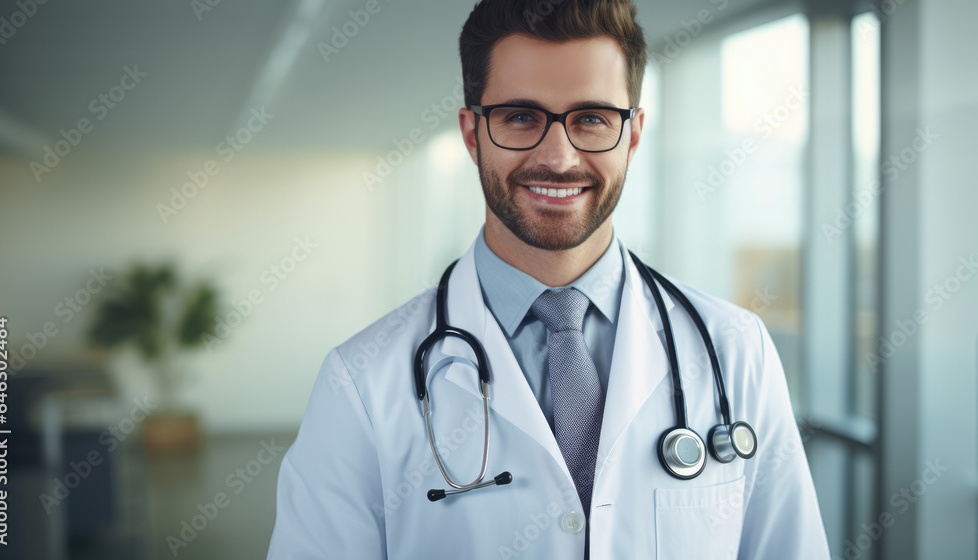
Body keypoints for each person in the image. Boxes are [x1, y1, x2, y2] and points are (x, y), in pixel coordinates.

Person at [267, 0, 829, 558]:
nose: (558, 158)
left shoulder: (735, 351)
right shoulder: (362, 385)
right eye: (520, 117)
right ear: (471, 133)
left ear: (632, 136)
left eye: (591, 119)